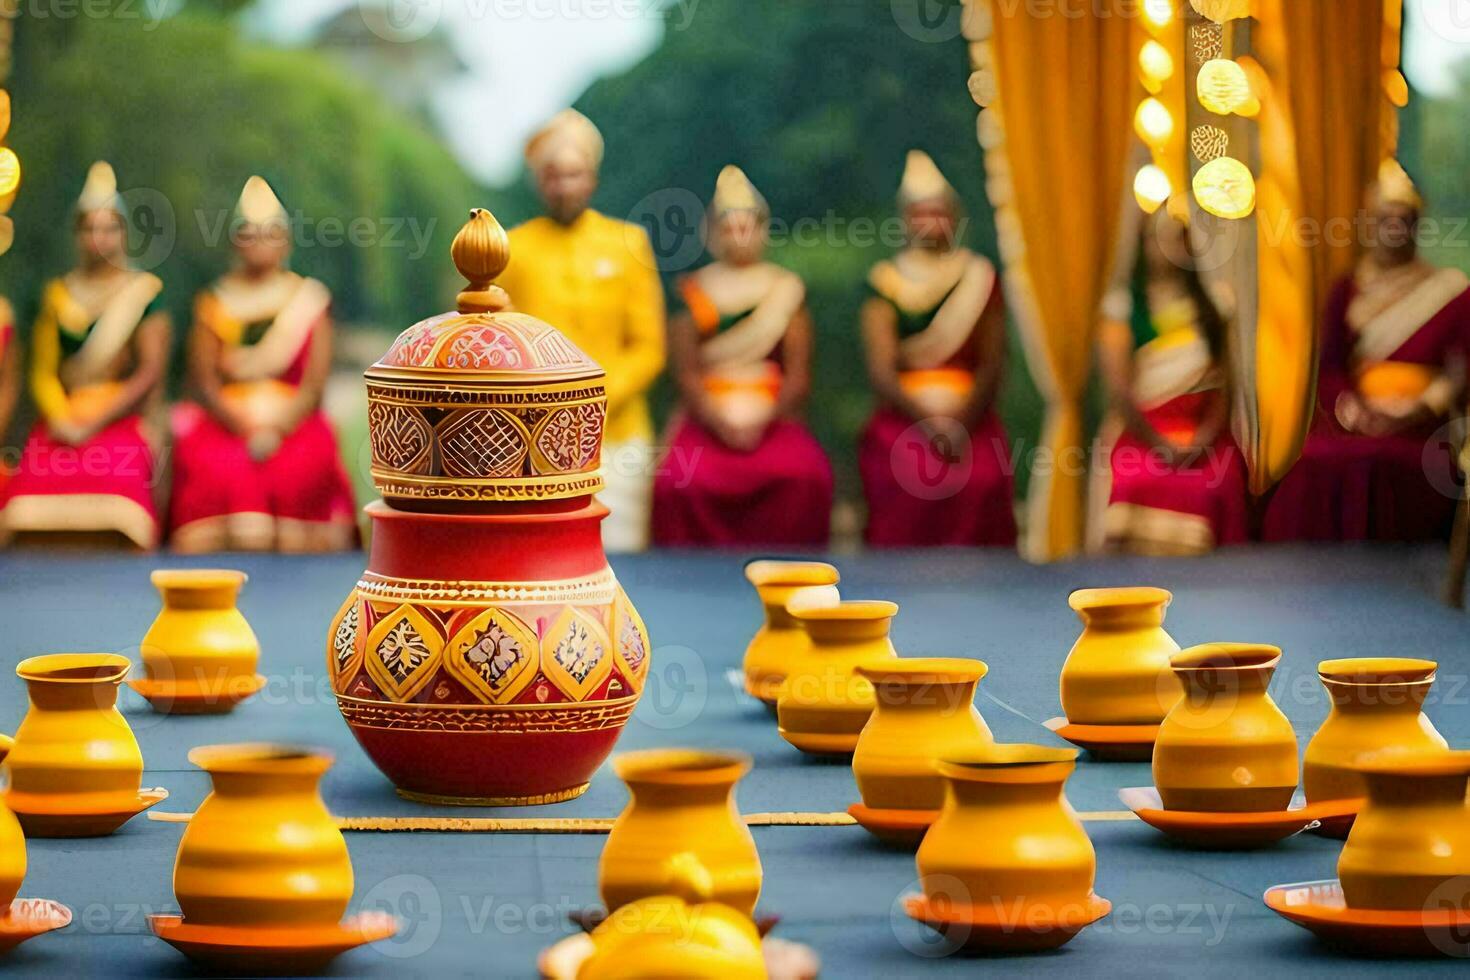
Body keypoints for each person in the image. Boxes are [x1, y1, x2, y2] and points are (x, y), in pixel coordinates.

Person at [1264, 160, 1470, 541]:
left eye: (1403, 219)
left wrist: (1416, 409)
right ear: (1369, 227)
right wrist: (1356, 412)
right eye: (1384, 219)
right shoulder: (1347, 289)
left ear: (1416, 225)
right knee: (1312, 462)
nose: (1394, 228)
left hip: (1423, 424)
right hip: (1356, 419)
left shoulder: (1450, 292)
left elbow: (1459, 372)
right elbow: (1331, 367)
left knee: (1387, 462)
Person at [496, 109, 665, 552]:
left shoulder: (629, 244)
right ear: (539, 181)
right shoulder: (511, 249)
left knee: (618, 555)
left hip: (618, 434)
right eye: (553, 175)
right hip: (532, 435)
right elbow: (498, 342)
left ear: (591, 178)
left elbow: (649, 347)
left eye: (575, 174)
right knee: (540, 557)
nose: (564, 185)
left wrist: (596, 399)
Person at [167, 176, 357, 553]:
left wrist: (275, 430)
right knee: (212, 466)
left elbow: (313, 388)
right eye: (250, 234)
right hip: (227, 424)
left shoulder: (309, 300)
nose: (259, 243)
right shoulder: (215, 302)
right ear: (236, 241)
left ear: (285, 240)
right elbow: (204, 385)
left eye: (269, 234)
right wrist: (245, 427)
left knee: (304, 464)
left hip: (291, 424)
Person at [652, 166, 833, 547]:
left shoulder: (784, 289)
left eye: (747, 226)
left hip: (773, 413)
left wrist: (761, 420)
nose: (739, 236)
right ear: (715, 233)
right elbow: (686, 374)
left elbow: (798, 376)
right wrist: (721, 422)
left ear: (762, 229)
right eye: (730, 227)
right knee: (676, 484)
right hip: (707, 415)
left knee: (806, 477)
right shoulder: (692, 290)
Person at [0, 162, 169, 549]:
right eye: (90, 228)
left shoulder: (143, 294)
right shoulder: (57, 295)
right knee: (33, 478)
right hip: (66, 416)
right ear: (78, 235)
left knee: (118, 472)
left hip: (120, 416)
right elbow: (42, 371)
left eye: (109, 228)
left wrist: (97, 419)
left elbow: (148, 373)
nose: (100, 239)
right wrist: (62, 416)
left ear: (123, 235)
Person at [857, 150, 1016, 548]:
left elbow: (993, 363)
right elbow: (882, 371)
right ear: (906, 219)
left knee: (982, 479)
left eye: (939, 213)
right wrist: (931, 425)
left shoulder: (978, 277)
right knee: (904, 477)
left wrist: (959, 424)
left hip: (970, 419)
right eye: (921, 213)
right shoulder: (885, 281)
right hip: (906, 419)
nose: (931, 223)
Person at [1089, 213, 1248, 555]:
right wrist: (1160, 444)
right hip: (1142, 436)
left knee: (1220, 482)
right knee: (1133, 481)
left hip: (1204, 436)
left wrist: (1204, 438)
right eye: (1157, 239)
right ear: (1142, 246)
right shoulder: (1123, 309)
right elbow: (1121, 393)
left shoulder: (1214, 307)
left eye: (1177, 239)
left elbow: (1225, 386)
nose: (1167, 249)